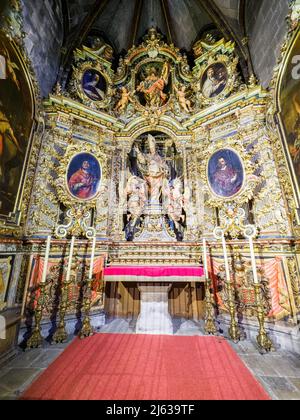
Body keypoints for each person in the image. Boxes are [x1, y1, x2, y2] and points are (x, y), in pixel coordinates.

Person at [134, 134, 169, 205]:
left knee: (156, 190)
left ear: (155, 148)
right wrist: (138, 152)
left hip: (159, 176)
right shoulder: (148, 156)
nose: (152, 149)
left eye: (153, 147)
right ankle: (150, 203)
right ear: (149, 148)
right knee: (149, 189)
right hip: (149, 175)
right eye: (150, 147)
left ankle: (155, 204)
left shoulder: (159, 157)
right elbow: (142, 160)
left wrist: (165, 169)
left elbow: (164, 165)